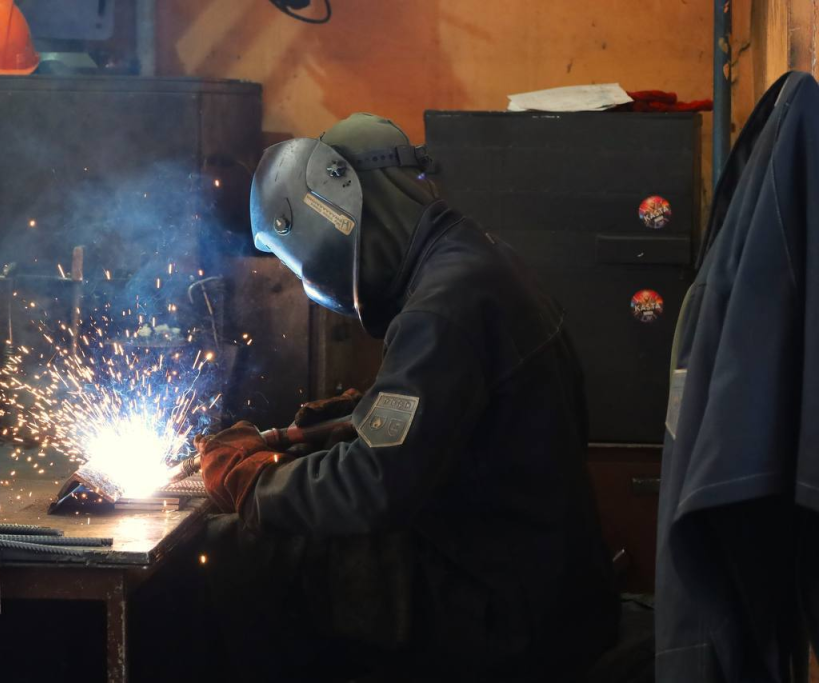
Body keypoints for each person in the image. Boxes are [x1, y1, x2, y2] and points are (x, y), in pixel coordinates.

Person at [194, 113, 618, 682]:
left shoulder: (442, 307)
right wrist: (329, 426)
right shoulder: (476, 261)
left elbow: (373, 485)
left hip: (502, 614)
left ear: (338, 211)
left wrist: (257, 484)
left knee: (235, 551)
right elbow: (443, 418)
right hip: (544, 585)